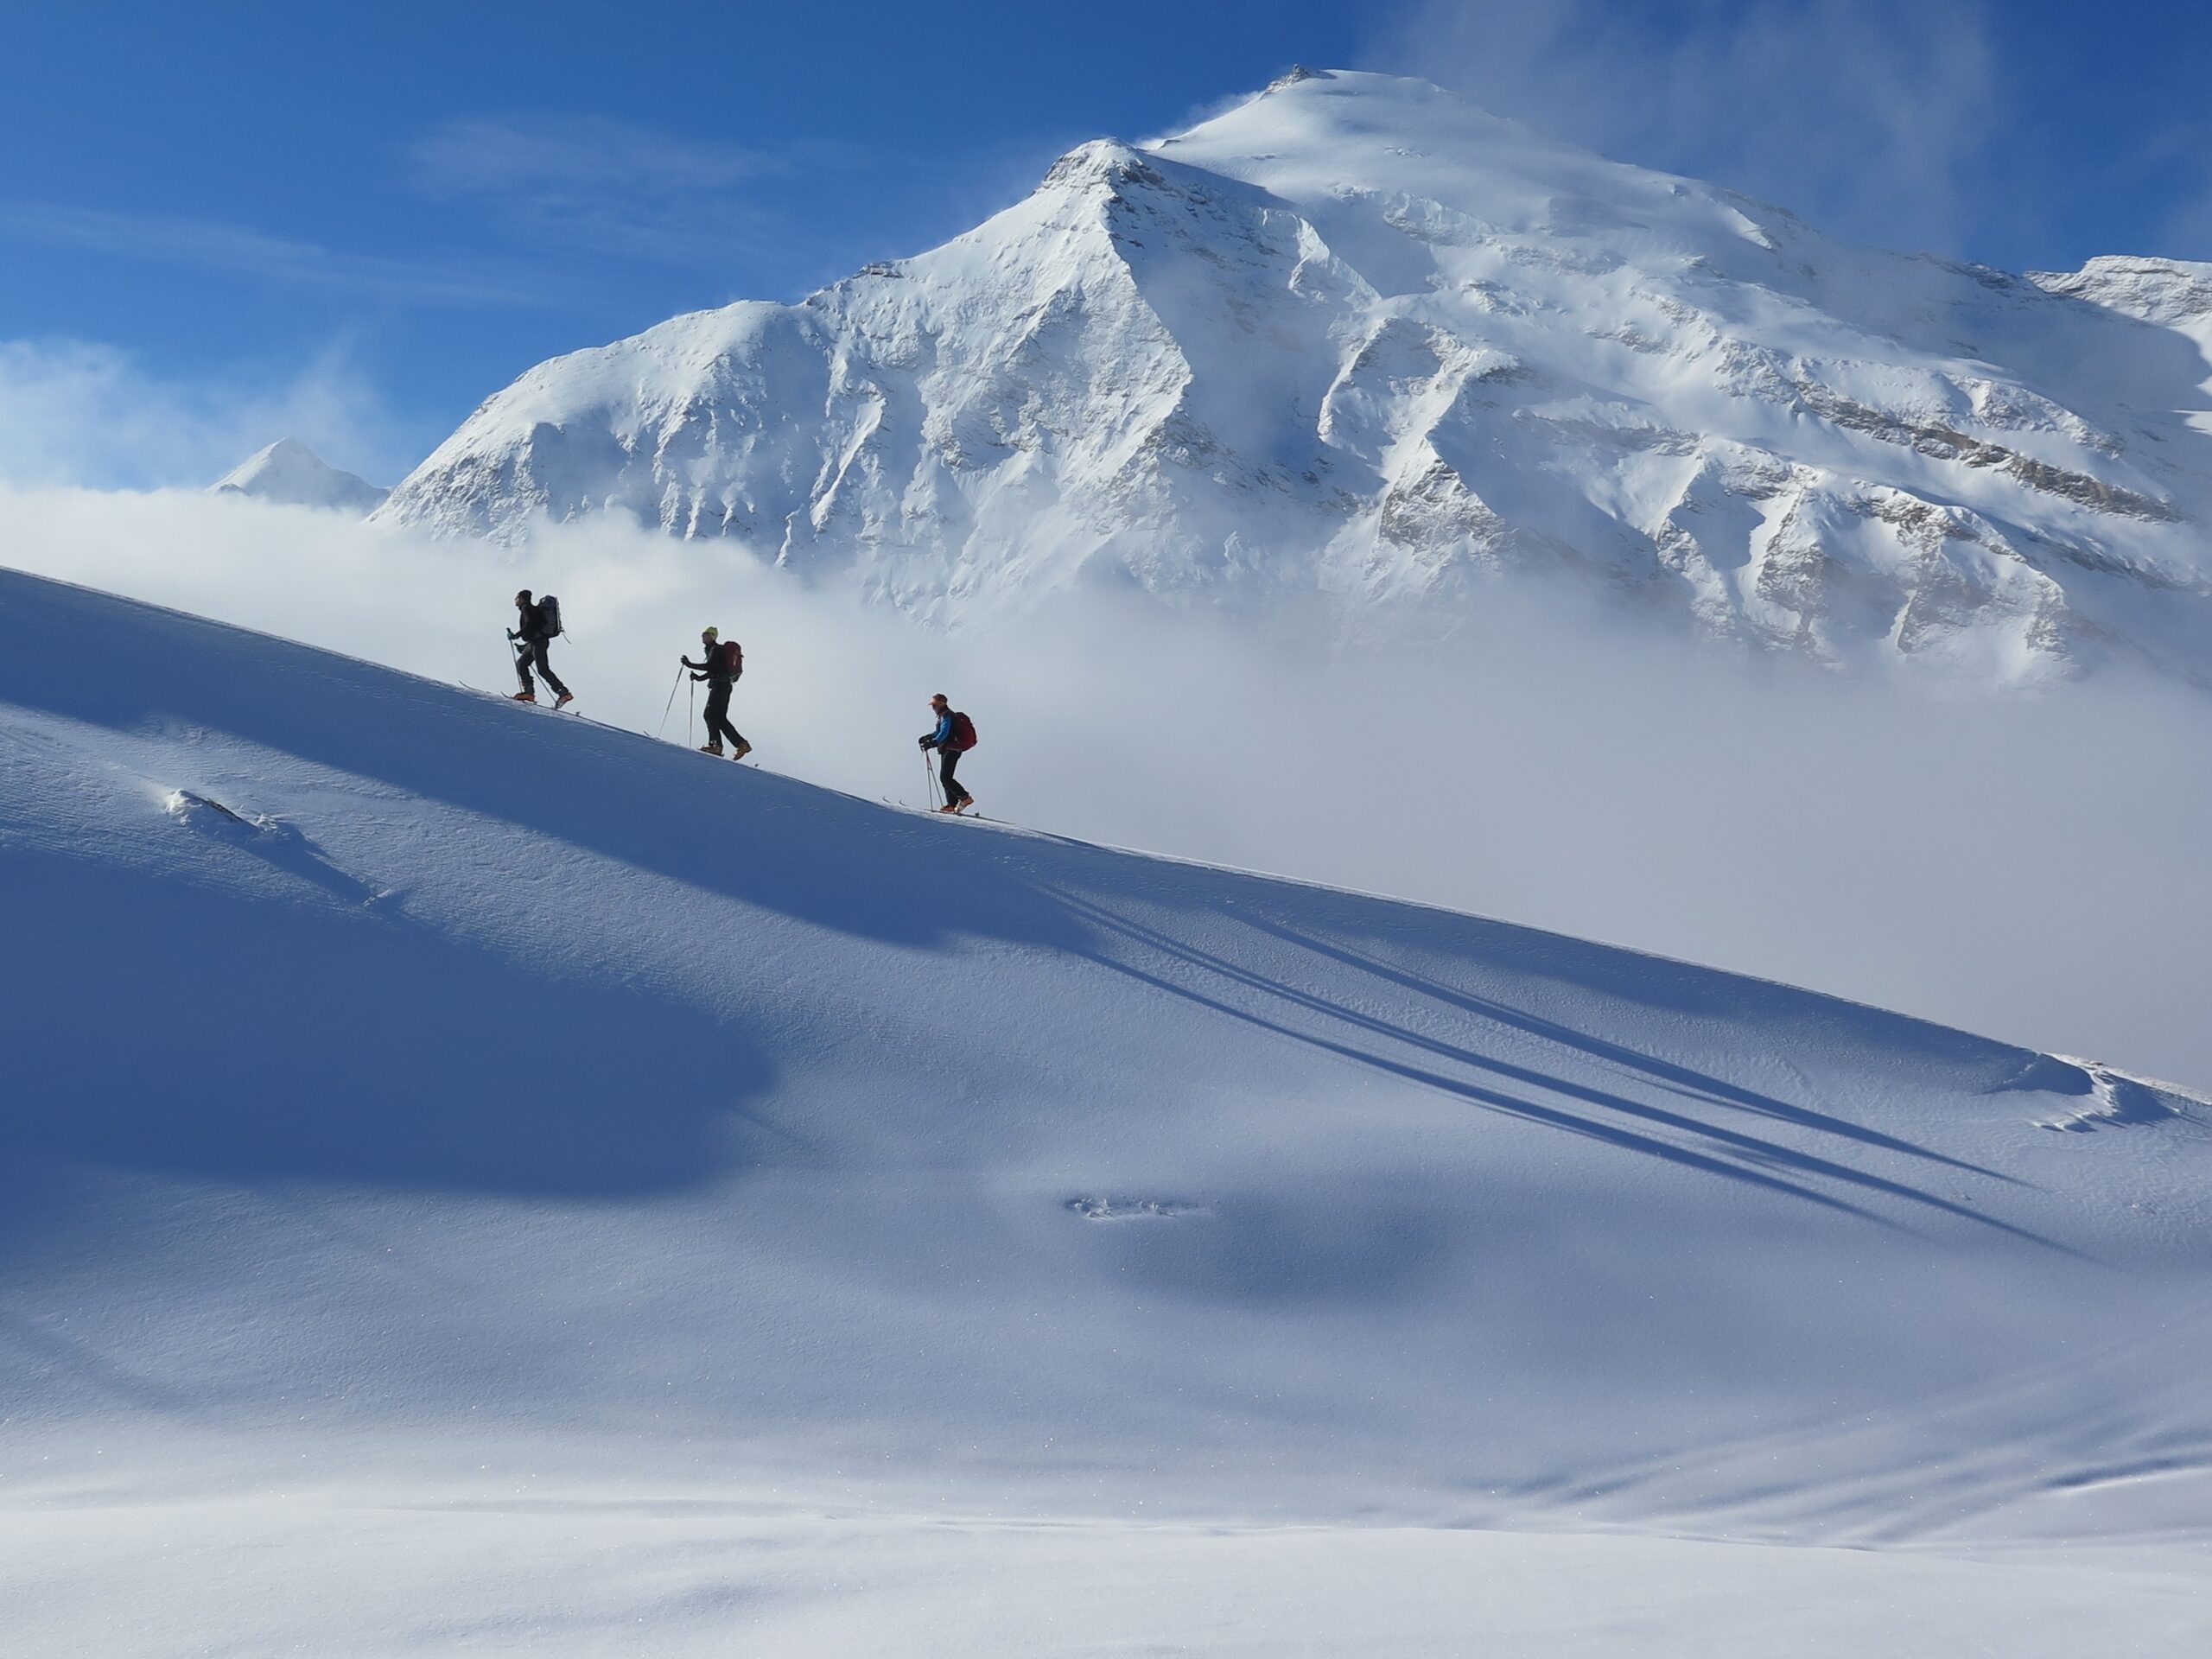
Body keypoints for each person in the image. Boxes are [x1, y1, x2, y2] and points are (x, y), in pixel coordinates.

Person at [683, 626, 750, 760]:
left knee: (710, 715)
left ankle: (716, 746)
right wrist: (698, 677)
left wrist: (690, 665)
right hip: (723, 686)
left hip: (720, 686)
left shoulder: (716, 649)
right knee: (718, 717)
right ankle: (740, 744)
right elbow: (714, 670)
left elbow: (711, 668)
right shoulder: (714, 650)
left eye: (706, 634)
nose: (703, 636)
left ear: (712, 636)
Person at [508, 589, 572, 708]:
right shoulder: (531, 609)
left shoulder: (526, 608)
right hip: (536, 642)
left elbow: (530, 624)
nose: (515, 600)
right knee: (522, 664)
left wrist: (517, 635)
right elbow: (534, 628)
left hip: (538, 643)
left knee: (542, 669)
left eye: (517, 598)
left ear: (522, 598)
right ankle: (529, 693)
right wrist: (525, 646)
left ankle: (563, 693)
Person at [918, 693, 976, 814]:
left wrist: (933, 743)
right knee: (945, 777)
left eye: (934, 705)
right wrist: (928, 737)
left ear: (942, 703)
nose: (933, 707)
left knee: (945, 777)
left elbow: (944, 732)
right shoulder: (943, 715)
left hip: (952, 748)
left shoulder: (946, 715)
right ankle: (952, 804)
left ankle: (964, 797)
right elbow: (939, 731)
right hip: (950, 748)